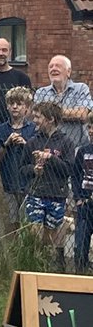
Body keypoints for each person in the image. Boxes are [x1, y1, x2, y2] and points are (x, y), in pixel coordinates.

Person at [20, 101, 74, 266]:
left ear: (50, 119)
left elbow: (68, 169)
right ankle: (31, 261)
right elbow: (22, 169)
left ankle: (48, 262)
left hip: (56, 194)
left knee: (50, 234)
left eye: (38, 117)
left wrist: (50, 158)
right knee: (34, 230)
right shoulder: (32, 142)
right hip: (36, 193)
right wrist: (34, 170)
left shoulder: (66, 142)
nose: (34, 120)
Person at [0, 86, 36, 234]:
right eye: (12, 104)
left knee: (26, 225)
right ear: (7, 106)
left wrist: (26, 144)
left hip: (27, 185)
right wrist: (6, 144)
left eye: (19, 104)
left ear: (27, 108)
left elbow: (37, 157)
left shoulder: (34, 130)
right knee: (10, 224)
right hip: (7, 184)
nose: (15, 107)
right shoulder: (0, 130)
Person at [33, 56, 93, 151]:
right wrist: (70, 113)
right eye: (51, 66)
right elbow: (39, 118)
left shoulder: (81, 88)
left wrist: (51, 113)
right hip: (47, 148)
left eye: (58, 66)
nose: (53, 69)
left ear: (68, 72)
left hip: (76, 148)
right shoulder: (41, 92)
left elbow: (82, 114)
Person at [71, 117, 93, 273]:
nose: (91, 131)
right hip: (85, 204)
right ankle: (81, 269)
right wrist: (78, 198)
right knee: (81, 241)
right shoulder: (83, 151)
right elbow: (76, 175)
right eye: (90, 127)